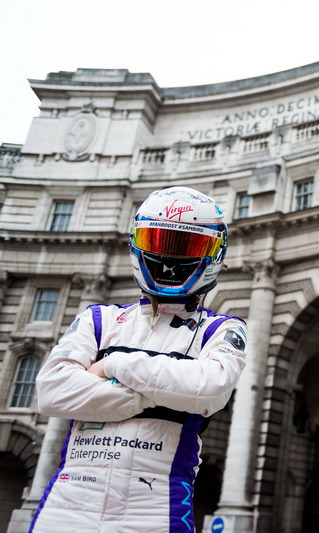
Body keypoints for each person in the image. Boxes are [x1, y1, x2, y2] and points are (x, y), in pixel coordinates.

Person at [31, 187, 247, 532]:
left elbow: (209, 389)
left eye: (186, 246)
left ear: (214, 254)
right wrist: (159, 396)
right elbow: (51, 391)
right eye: (158, 242)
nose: (167, 259)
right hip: (65, 508)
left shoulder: (220, 329)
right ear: (137, 244)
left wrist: (113, 365)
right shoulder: (97, 318)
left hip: (156, 512)